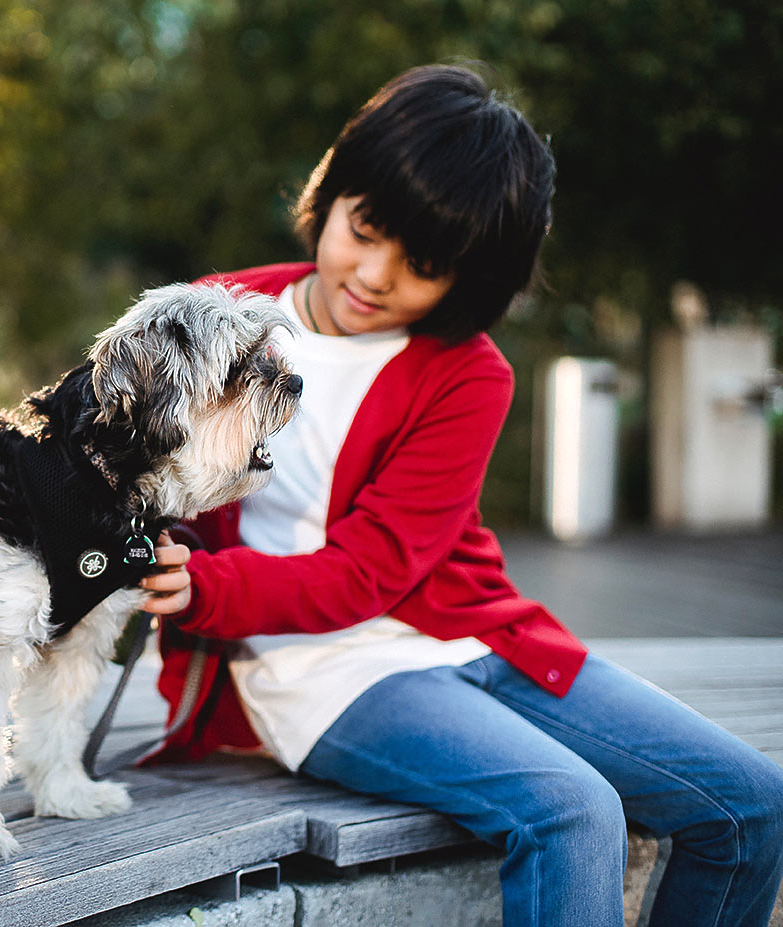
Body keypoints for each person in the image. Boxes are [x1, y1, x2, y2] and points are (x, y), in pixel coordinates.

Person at [134, 64, 783, 927]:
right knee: (572, 812)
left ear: (469, 278)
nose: (373, 274)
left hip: (471, 636)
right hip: (313, 668)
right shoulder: (222, 314)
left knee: (749, 807)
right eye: (363, 229)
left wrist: (209, 587)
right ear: (332, 193)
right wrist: (182, 580)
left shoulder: (469, 374)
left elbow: (372, 571)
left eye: (423, 264)